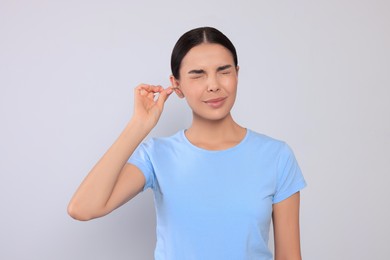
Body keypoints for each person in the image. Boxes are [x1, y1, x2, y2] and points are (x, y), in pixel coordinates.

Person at [68, 26, 307, 260]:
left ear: (237, 74)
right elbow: (83, 208)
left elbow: (289, 256)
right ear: (177, 85)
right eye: (198, 74)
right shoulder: (156, 155)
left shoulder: (276, 156)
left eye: (224, 71)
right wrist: (138, 125)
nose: (213, 84)